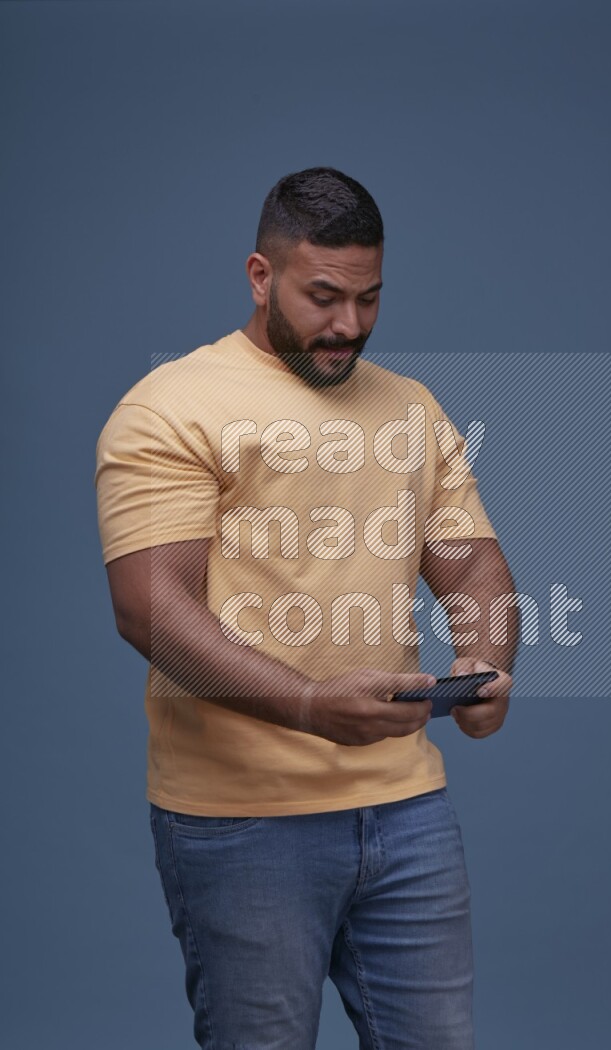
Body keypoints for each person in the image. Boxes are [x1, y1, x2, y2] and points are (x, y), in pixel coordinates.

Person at [95, 166, 518, 1050]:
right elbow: (150, 610)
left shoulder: (411, 407)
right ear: (261, 276)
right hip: (239, 821)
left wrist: (486, 658)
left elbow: (472, 562)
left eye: (368, 298)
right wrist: (306, 705)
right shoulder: (171, 408)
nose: (349, 325)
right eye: (324, 296)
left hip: (408, 811)